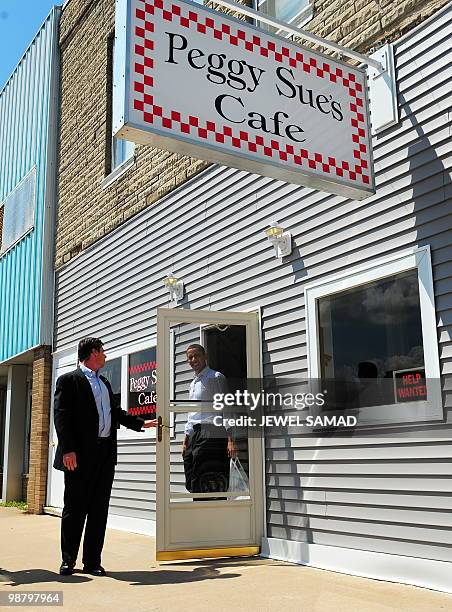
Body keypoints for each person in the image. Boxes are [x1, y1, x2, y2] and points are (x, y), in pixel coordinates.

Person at [53, 337, 156, 576]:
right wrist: (68, 449)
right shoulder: (68, 381)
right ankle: (68, 560)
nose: (106, 356)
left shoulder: (105, 383)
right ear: (92, 353)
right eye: (103, 351)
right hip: (78, 456)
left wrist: (140, 423)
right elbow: (62, 416)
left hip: (104, 455)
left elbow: (115, 413)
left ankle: (92, 562)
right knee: (75, 509)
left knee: (99, 510)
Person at [182, 344, 236, 495]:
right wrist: (186, 440)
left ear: (205, 357)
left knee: (205, 475)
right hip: (195, 434)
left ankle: (208, 507)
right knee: (190, 470)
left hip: (211, 431)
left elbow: (226, 407)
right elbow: (192, 413)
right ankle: (198, 507)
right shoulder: (193, 383)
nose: (193, 360)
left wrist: (230, 439)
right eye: (190, 358)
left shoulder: (215, 377)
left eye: (196, 355)